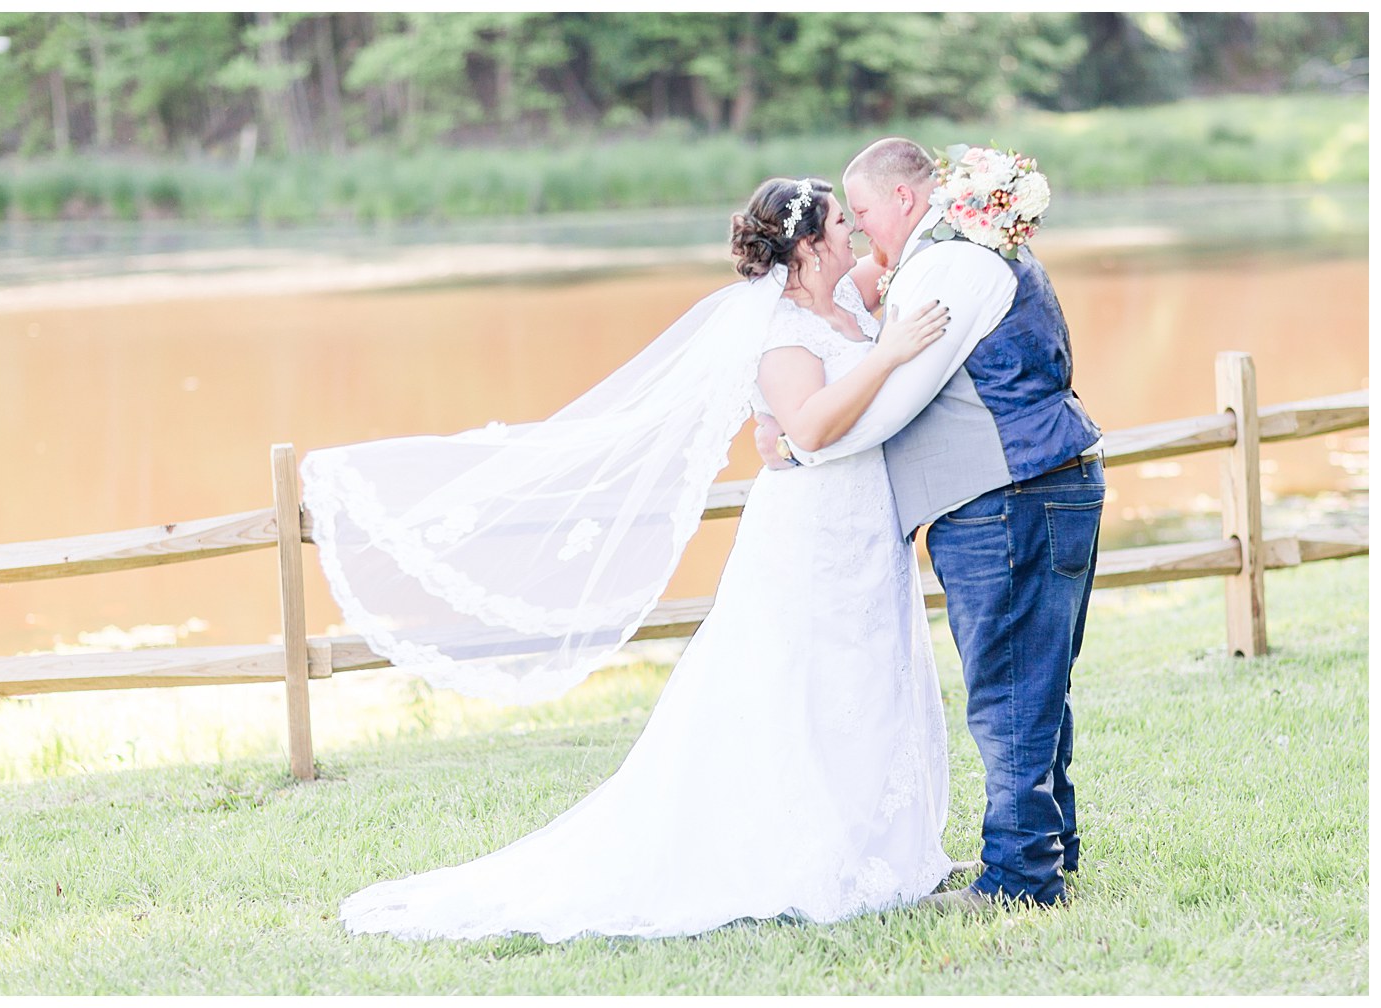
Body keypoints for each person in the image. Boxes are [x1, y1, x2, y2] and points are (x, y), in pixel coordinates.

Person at [311, 177, 967, 941]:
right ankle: (809, 853)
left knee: (869, 674)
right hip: (811, 534)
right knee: (806, 682)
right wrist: (886, 356)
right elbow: (810, 430)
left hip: (866, 529)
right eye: (840, 226)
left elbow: (908, 247)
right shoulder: (782, 331)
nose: (854, 233)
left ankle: (879, 848)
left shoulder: (846, 299)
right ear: (808, 247)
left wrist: (980, 197)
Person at [755, 138, 1104, 911]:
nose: (860, 230)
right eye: (844, 220)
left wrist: (796, 445)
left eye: (866, 211)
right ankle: (1051, 849)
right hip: (1031, 488)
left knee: (1010, 690)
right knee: (1035, 683)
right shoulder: (950, 255)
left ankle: (1020, 878)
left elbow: (893, 405)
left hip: (1008, 496)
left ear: (904, 202)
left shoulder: (951, 267)